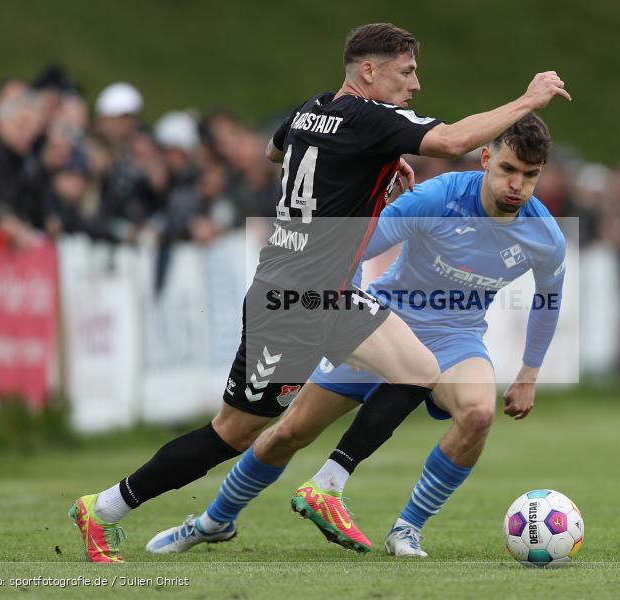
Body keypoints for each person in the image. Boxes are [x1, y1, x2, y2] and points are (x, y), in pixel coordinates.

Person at [70, 22, 570, 562]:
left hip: (304, 289)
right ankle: (115, 509)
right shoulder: (371, 118)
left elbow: (273, 151)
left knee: (404, 373)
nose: (415, 85)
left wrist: (367, 161)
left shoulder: (311, 108)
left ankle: (315, 487)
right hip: (301, 295)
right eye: (407, 71)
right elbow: (450, 142)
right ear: (369, 71)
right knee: (242, 432)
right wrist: (529, 98)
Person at [146, 114, 566, 557]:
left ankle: (407, 529)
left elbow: (548, 301)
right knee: (289, 433)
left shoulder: (545, 237)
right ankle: (215, 520)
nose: (516, 185)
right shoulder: (436, 197)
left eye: (530, 175)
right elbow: (353, 248)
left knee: (479, 413)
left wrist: (528, 374)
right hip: (388, 324)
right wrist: (352, 315)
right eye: (508, 170)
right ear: (486, 158)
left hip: (455, 339)